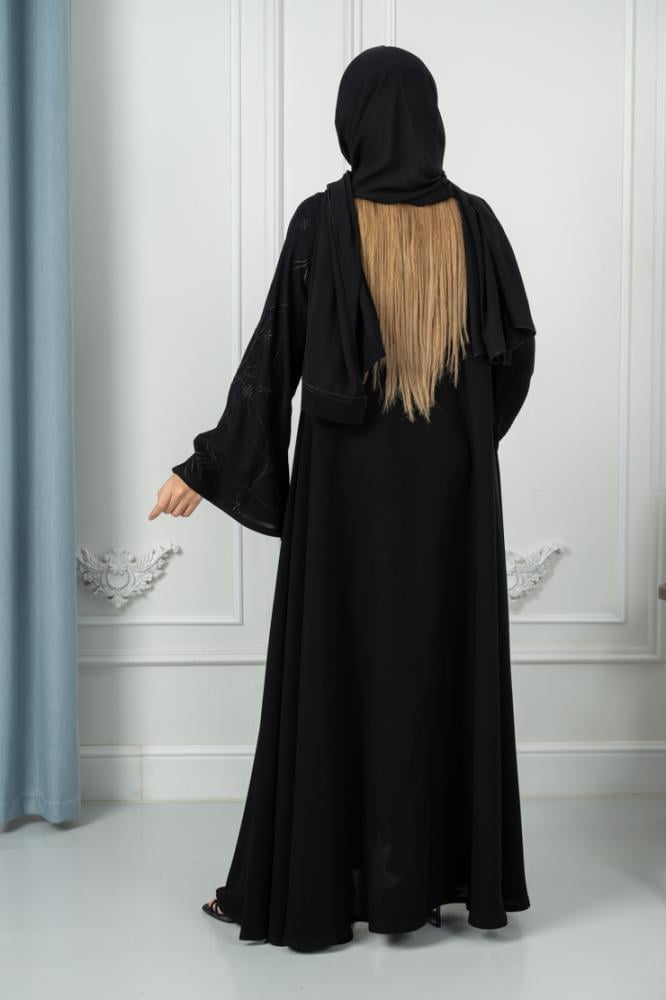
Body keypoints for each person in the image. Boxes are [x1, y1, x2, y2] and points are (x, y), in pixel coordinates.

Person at [149, 45, 537, 952]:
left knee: (338, 676)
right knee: (437, 666)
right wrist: (462, 442)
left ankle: (322, 883)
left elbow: (275, 354)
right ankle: (436, 883)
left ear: (353, 119)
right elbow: (515, 357)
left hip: (346, 498)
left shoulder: (323, 221)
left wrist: (207, 465)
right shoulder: (475, 225)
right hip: (450, 498)